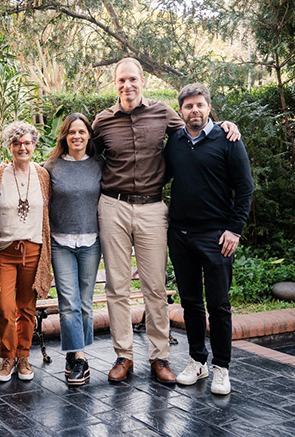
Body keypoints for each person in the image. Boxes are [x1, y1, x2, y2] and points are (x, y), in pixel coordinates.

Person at [92, 57, 241, 384]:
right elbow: (80, 153)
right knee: (117, 285)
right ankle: (123, 355)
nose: (127, 86)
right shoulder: (102, 122)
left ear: (142, 81)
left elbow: (197, 129)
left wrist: (227, 125)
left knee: (155, 286)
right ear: (114, 84)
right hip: (113, 207)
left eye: (132, 79)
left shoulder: (163, 113)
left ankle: (159, 357)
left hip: (152, 208)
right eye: (121, 81)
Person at [166, 83, 253, 395]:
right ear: (181, 111)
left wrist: (235, 229)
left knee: (218, 305)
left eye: (200, 105)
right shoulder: (174, 140)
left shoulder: (228, 139)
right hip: (180, 234)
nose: (195, 110)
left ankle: (222, 368)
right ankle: (197, 361)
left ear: (208, 107)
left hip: (217, 236)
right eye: (189, 106)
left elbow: (245, 188)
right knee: (190, 302)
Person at [0, 122, 52, 382]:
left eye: (27, 143)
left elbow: (48, 211)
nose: (22, 147)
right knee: (4, 307)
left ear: (34, 144)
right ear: (9, 147)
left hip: (34, 251)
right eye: (16, 143)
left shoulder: (43, 175)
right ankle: (6, 357)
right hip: (4, 252)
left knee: (26, 308)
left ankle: (23, 356)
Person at [44, 113, 105, 387]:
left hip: (91, 242)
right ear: (64, 136)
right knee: (69, 303)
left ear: (89, 135)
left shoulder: (99, 165)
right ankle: (78, 358)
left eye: (82, 131)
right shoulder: (51, 167)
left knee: (85, 303)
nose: (77, 136)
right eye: (72, 132)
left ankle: (75, 353)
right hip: (61, 242)